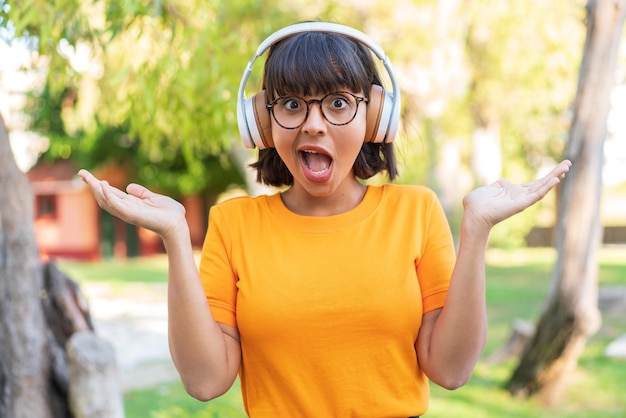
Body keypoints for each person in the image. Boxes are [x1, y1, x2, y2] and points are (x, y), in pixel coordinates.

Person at [78, 21, 571, 418]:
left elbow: (451, 369)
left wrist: (478, 233)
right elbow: (206, 382)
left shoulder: (415, 212)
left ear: (375, 117)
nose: (314, 123)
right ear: (263, 124)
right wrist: (173, 238)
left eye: (338, 102)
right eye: (292, 104)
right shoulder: (233, 224)